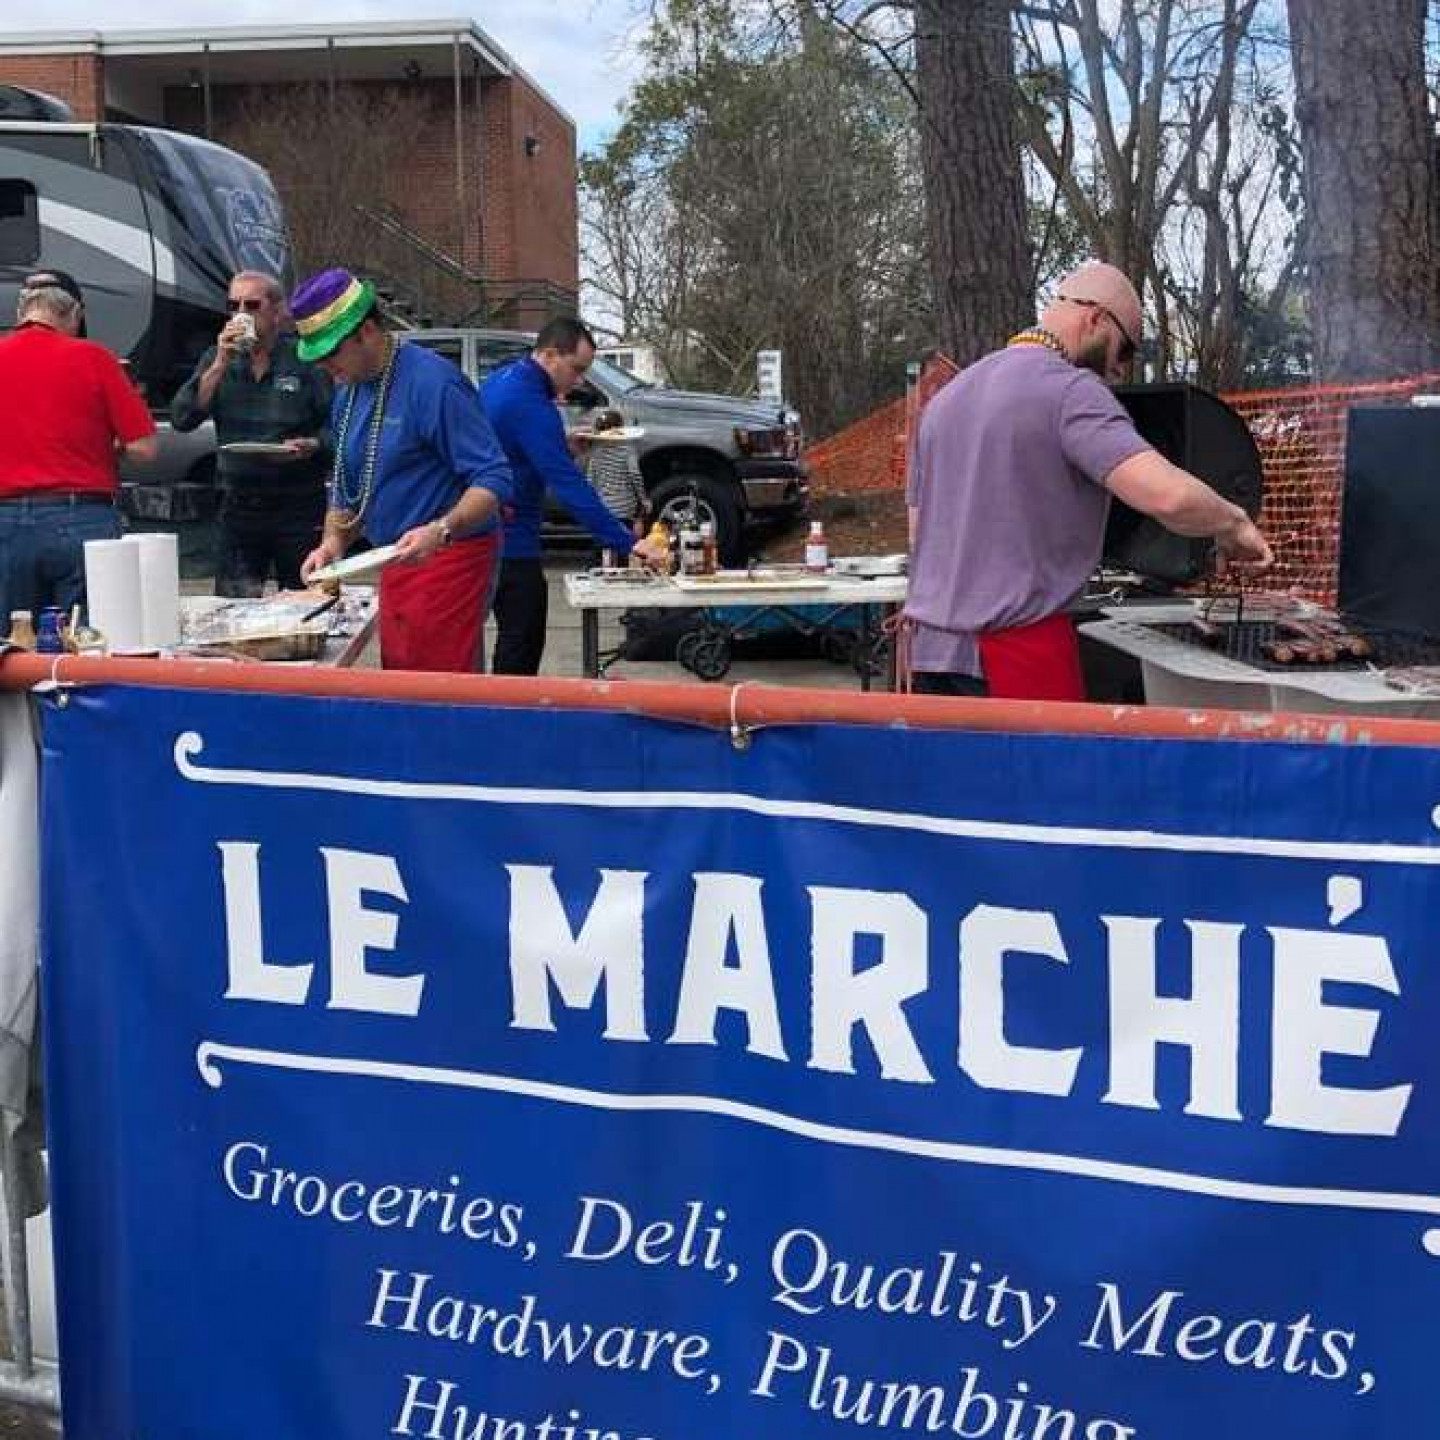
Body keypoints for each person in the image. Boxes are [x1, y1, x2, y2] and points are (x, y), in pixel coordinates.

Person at [904, 260, 1273, 703]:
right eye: (1124, 349)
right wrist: (1234, 523)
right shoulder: (1069, 390)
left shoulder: (947, 400)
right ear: (1096, 318)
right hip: (1014, 656)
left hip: (929, 656)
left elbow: (918, 531)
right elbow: (1169, 497)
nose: (1118, 369)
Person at [291, 269, 513, 673]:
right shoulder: (348, 391)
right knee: (400, 673)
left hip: (451, 558)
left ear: (367, 331)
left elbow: (494, 478)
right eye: (316, 356)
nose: (323, 365)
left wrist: (442, 529)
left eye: (330, 352)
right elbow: (345, 486)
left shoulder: (434, 383)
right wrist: (332, 544)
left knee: (440, 687)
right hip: (396, 557)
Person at [480, 318, 666, 675]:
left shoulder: (503, 379)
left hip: (494, 531)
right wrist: (629, 542)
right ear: (550, 355)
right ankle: (508, 708)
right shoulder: (531, 405)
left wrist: (560, 445)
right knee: (521, 644)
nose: (579, 381)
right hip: (510, 541)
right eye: (576, 369)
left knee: (514, 639)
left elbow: (510, 449)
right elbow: (570, 487)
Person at [0, 272, 156, 625]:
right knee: (88, 639)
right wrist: (103, 444)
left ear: (22, 311)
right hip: (80, 517)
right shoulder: (95, 358)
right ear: (75, 314)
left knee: (11, 643)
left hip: (5, 520)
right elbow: (143, 449)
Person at [172, 270, 331, 596]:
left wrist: (313, 444)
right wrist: (219, 363)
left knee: (304, 600)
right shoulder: (217, 360)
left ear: (278, 311)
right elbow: (183, 417)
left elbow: (340, 428)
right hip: (239, 503)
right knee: (234, 603)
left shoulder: (305, 359)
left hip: (298, 503)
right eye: (234, 306)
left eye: (252, 305)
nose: (241, 314)